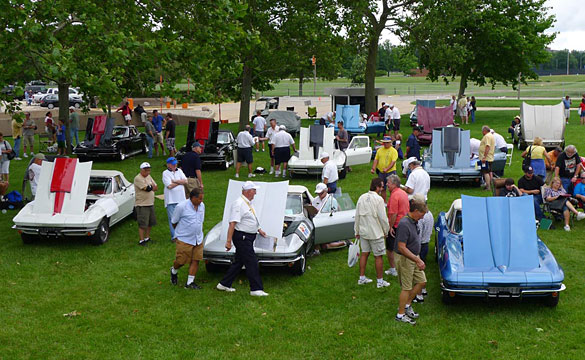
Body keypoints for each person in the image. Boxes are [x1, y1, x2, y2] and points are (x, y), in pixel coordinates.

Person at [217, 181, 269, 296]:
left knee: (239, 261)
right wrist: (228, 241)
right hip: (242, 237)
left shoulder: (248, 203)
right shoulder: (239, 204)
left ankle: (224, 284)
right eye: (254, 190)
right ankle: (256, 289)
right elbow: (232, 223)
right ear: (248, 191)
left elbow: (251, 218)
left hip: (248, 236)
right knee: (252, 262)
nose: (255, 192)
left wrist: (259, 229)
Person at [394, 198, 427, 325]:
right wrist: (417, 259)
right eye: (422, 214)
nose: (422, 217)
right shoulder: (404, 224)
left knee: (422, 281)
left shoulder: (414, 221)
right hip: (406, 259)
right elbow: (401, 247)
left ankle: (407, 305)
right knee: (406, 288)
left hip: (414, 257)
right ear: (416, 211)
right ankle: (400, 314)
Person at [354, 178, 390, 288]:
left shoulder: (362, 197)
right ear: (377, 187)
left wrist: (357, 231)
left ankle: (362, 278)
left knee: (364, 254)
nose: (383, 188)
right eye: (382, 186)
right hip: (376, 233)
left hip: (363, 231)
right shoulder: (379, 200)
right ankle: (380, 281)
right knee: (378, 256)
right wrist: (386, 230)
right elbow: (383, 218)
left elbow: (357, 216)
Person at [169, 188, 205, 290]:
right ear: (193, 198)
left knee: (196, 259)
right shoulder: (181, 207)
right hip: (185, 239)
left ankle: (190, 282)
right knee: (181, 261)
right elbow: (174, 221)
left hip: (198, 238)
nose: (201, 201)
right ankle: (174, 271)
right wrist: (180, 233)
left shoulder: (202, 206)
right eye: (199, 199)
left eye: (202, 199)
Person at [385, 174, 409, 278]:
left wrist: (390, 227)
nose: (387, 185)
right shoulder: (403, 193)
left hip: (396, 224)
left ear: (394, 184)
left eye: (388, 183)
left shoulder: (394, 196)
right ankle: (404, 267)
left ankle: (393, 268)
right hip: (405, 222)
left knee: (390, 248)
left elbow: (393, 213)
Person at [412, 193, 433, 303]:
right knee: (422, 268)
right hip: (426, 244)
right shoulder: (430, 214)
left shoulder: (421, 218)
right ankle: (423, 289)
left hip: (420, 245)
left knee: (417, 272)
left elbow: (417, 234)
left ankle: (419, 294)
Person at [163, 157, 188, 242]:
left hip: (181, 199)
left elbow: (186, 181)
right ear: (168, 164)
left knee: (182, 217)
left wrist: (175, 181)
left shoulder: (179, 171)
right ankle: (174, 236)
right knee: (173, 219)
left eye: (175, 163)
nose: (175, 165)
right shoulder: (165, 173)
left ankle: (182, 234)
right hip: (171, 200)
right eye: (173, 164)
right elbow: (169, 186)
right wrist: (180, 182)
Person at [134, 162, 158, 246]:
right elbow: (146, 188)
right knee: (143, 223)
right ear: (142, 170)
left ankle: (147, 237)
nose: (148, 172)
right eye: (146, 170)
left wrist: (151, 187)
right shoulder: (138, 178)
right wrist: (151, 187)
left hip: (150, 202)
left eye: (149, 170)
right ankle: (141, 240)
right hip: (142, 204)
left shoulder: (149, 176)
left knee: (150, 222)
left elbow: (156, 187)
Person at [371, 136, 398, 202]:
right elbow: (376, 160)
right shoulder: (380, 150)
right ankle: (384, 202)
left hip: (391, 172)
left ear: (390, 143)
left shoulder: (393, 151)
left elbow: (393, 162)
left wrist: (387, 169)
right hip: (381, 172)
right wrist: (373, 168)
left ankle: (393, 201)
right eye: (384, 143)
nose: (385, 144)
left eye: (387, 143)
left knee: (392, 188)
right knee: (382, 188)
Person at [479, 125, 495, 191]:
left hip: (487, 158)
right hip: (490, 157)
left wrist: (484, 157)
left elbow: (487, 146)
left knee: (485, 172)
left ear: (484, 131)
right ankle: (491, 184)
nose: (482, 132)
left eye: (482, 131)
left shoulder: (487, 136)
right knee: (489, 171)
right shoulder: (491, 135)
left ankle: (488, 186)